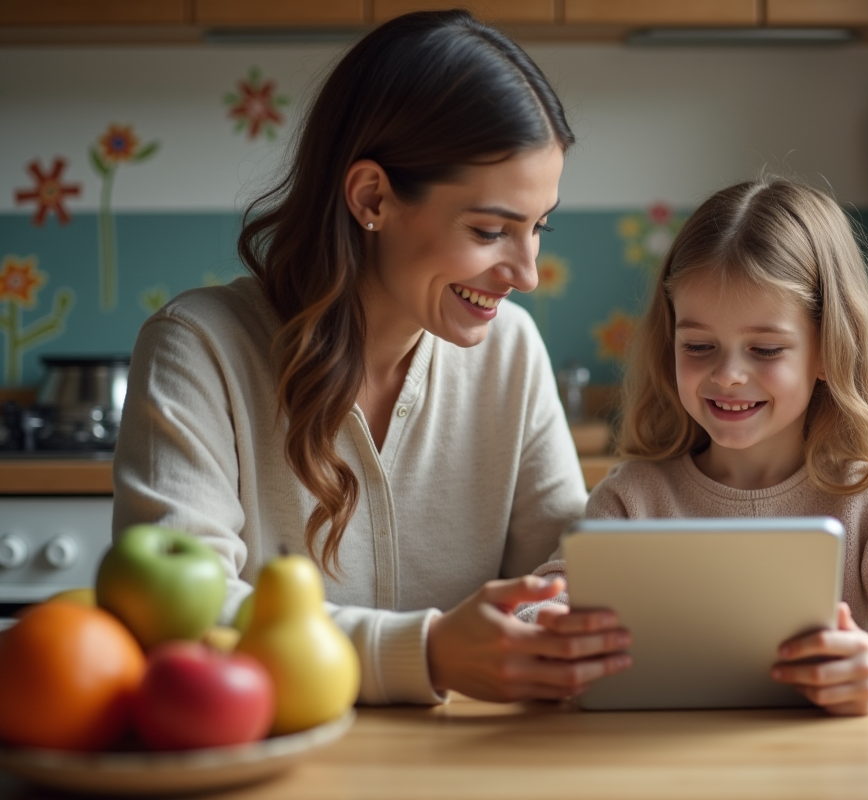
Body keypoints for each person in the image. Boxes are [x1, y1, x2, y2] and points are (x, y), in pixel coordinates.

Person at [112, 10, 631, 706]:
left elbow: (566, 564)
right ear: (372, 198)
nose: (527, 273)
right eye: (489, 230)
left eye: (538, 228)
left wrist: (540, 625)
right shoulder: (199, 348)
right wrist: (426, 654)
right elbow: (174, 618)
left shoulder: (511, 350)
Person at [526, 178, 868, 715]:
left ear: (828, 352)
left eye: (766, 349)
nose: (727, 376)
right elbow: (542, 607)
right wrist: (548, 633)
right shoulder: (633, 497)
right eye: (699, 346)